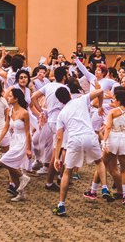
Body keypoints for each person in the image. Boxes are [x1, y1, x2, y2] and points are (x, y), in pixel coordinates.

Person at [52, 87, 109, 217]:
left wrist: (56, 158)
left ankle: (61, 205)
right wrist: (100, 106)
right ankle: (105, 187)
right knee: (99, 161)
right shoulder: (81, 100)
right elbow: (100, 91)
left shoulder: (61, 114)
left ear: (60, 101)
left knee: (68, 171)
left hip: (74, 140)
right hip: (89, 136)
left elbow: (59, 138)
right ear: (70, 94)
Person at [0, 88, 32, 202]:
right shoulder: (10, 111)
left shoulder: (24, 113)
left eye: (10, 96)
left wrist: (29, 149)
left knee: (3, 160)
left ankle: (23, 177)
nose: (8, 98)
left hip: (22, 141)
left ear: (16, 99)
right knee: (12, 167)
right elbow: (6, 127)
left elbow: (27, 132)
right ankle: (20, 193)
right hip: (14, 139)